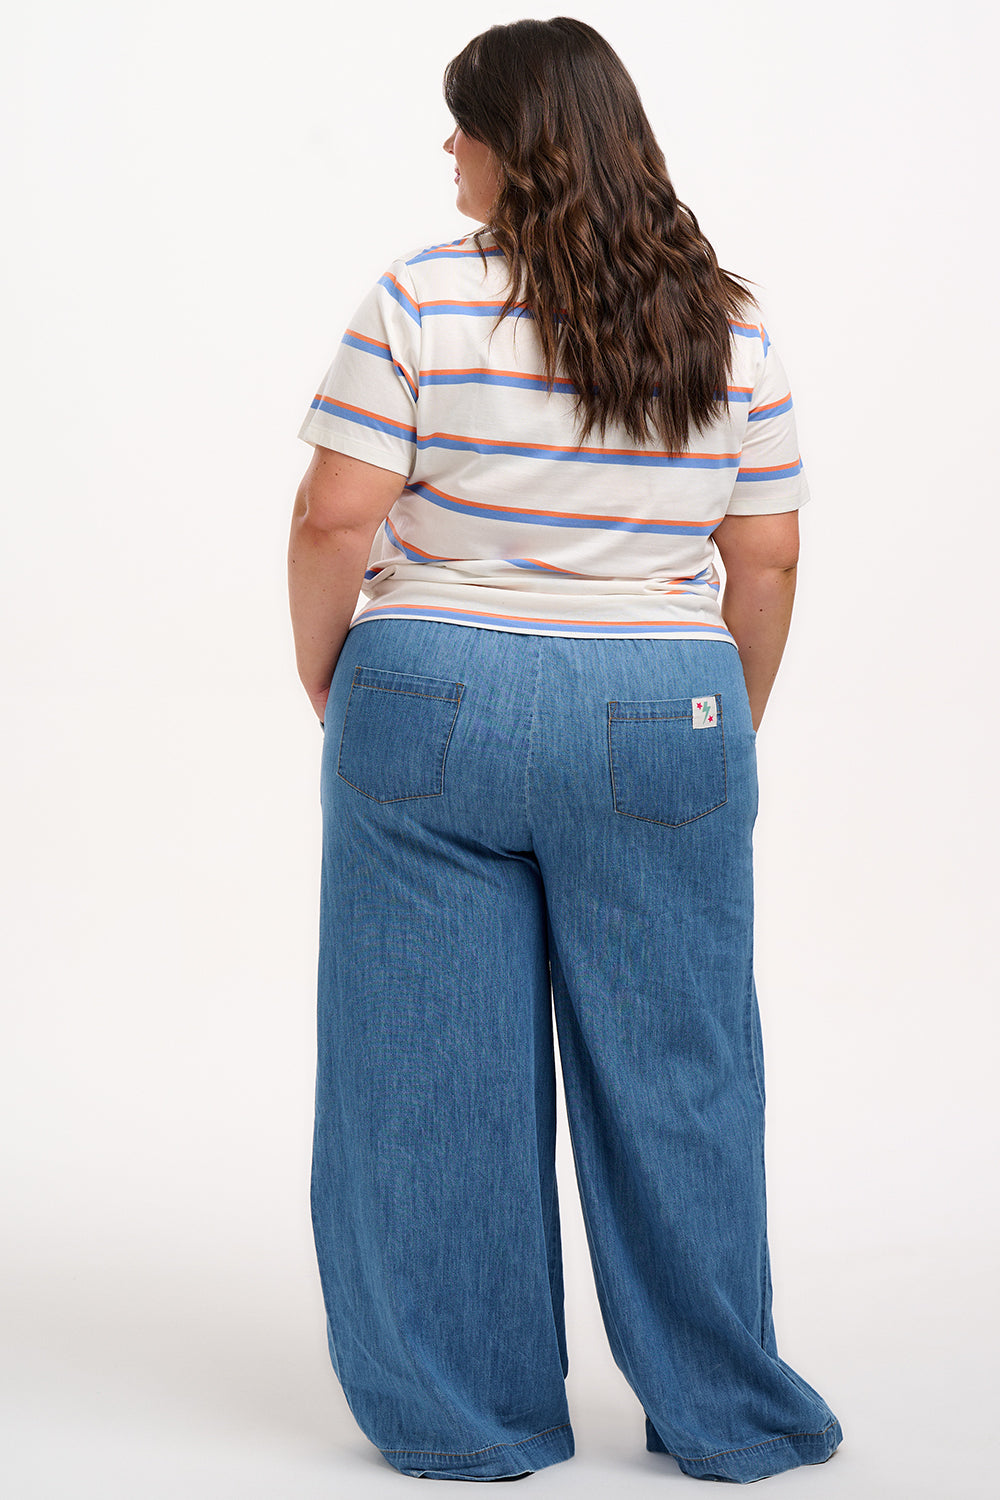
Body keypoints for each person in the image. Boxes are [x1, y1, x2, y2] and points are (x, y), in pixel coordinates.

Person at [287, 16, 843, 1486]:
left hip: (429, 698)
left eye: (459, 124)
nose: (446, 150)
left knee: (424, 1072)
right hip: (666, 704)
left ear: (512, 144)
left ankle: (468, 1418)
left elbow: (334, 520)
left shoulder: (420, 297)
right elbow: (768, 556)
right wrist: (728, 720)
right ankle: (726, 1410)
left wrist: (331, 678)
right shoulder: (727, 319)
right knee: (682, 1069)